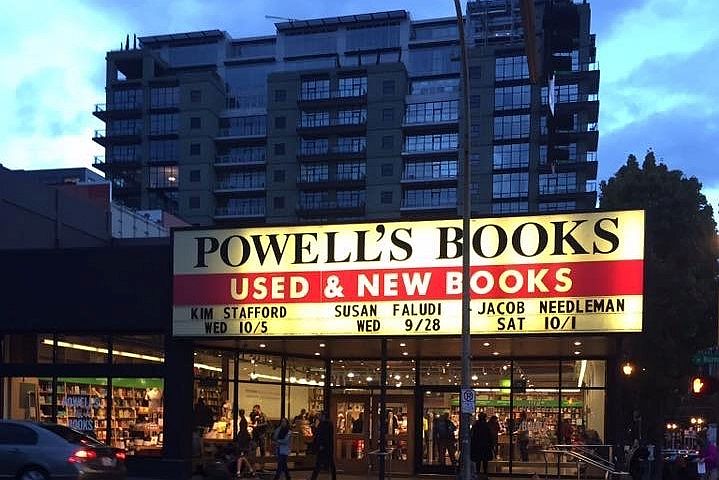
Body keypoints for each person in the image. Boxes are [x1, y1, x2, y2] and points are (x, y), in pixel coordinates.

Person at [310, 412, 337, 480]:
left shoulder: (326, 424)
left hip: (325, 447)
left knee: (323, 463)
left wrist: (322, 444)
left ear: (323, 416)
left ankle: (314, 478)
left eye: (320, 415)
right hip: (325, 447)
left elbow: (325, 436)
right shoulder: (322, 424)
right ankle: (314, 477)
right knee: (323, 463)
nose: (318, 417)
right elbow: (318, 434)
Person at [236, 409, 256, 478]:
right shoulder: (244, 420)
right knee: (241, 457)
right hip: (244, 440)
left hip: (242, 440)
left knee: (241, 456)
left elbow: (242, 430)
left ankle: (241, 472)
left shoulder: (242, 421)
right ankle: (250, 471)